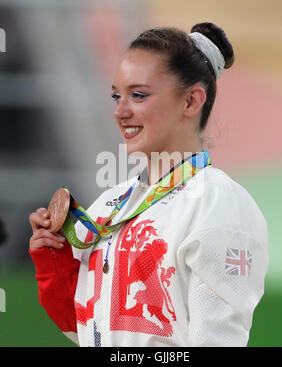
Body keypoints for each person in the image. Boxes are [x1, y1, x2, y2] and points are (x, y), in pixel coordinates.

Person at [29, 22, 268, 347]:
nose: (120, 111)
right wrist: (54, 264)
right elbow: (89, 332)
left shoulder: (218, 205)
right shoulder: (109, 205)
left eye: (138, 95)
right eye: (117, 95)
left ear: (191, 101)